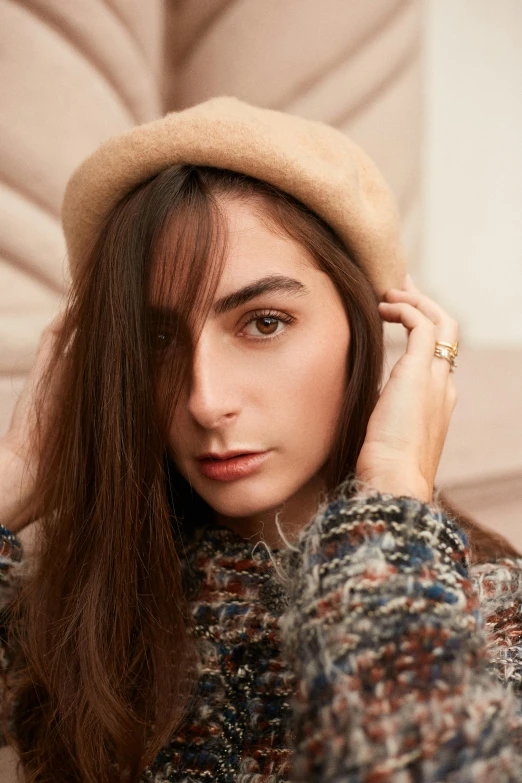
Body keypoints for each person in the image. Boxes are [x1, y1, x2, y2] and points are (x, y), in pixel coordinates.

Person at [0, 97, 521, 783]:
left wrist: (392, 492)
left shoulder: (490, 615)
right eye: (158, 340)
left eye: (265, 322)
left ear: (367, 325)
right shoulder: (76, 608)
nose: (206, 399)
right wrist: (12, 479)